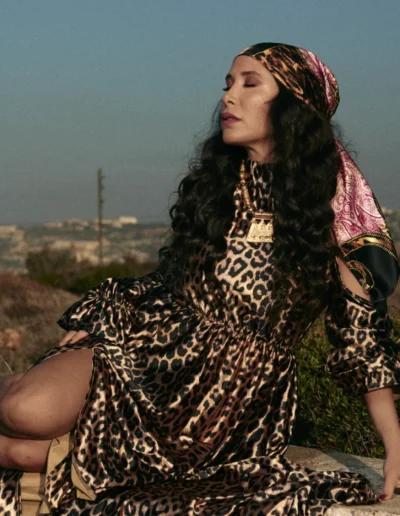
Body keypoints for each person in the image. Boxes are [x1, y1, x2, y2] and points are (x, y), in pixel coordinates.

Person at [0, 41, 400, 515]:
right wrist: (106, 312)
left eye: (251, 84)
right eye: (228, 84)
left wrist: (394, 442)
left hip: (222, 407)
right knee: (23, 410)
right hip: (149, 349)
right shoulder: (219, 190)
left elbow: (361, 341)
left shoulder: (327, 212)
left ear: (295, 106)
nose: (229, 97)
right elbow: (169, 282)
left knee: (23, 448)